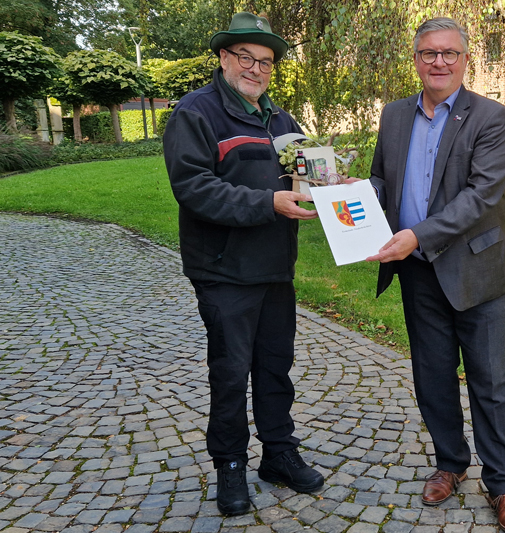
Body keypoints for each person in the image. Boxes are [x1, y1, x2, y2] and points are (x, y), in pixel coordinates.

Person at [367, 17, 505, 533]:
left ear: (465, 60)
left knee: (491, 382)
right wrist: (345, 195)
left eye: (449, 54)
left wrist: (418, 234)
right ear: (415, 59)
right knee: (431, 375)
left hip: (475, 269)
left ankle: (503, 486)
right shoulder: (394, 116)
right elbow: (380, 179)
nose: (439, 62)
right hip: (416, 273)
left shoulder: (491, 117)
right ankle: (450, 464)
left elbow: (481, 198)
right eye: (429, 53)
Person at [163, 12, 323, 516]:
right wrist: (268, 204)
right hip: (224, 269)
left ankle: (278, 452)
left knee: (276, 367)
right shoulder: (196, 112)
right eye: (246, 58)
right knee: (231, 372)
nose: (256, 69)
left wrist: (330, 187)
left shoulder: (282, 121)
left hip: (276, 266)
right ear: (224, 58)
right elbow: (194, 189)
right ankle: (230, 464)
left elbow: (306, 175)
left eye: (266, 62)